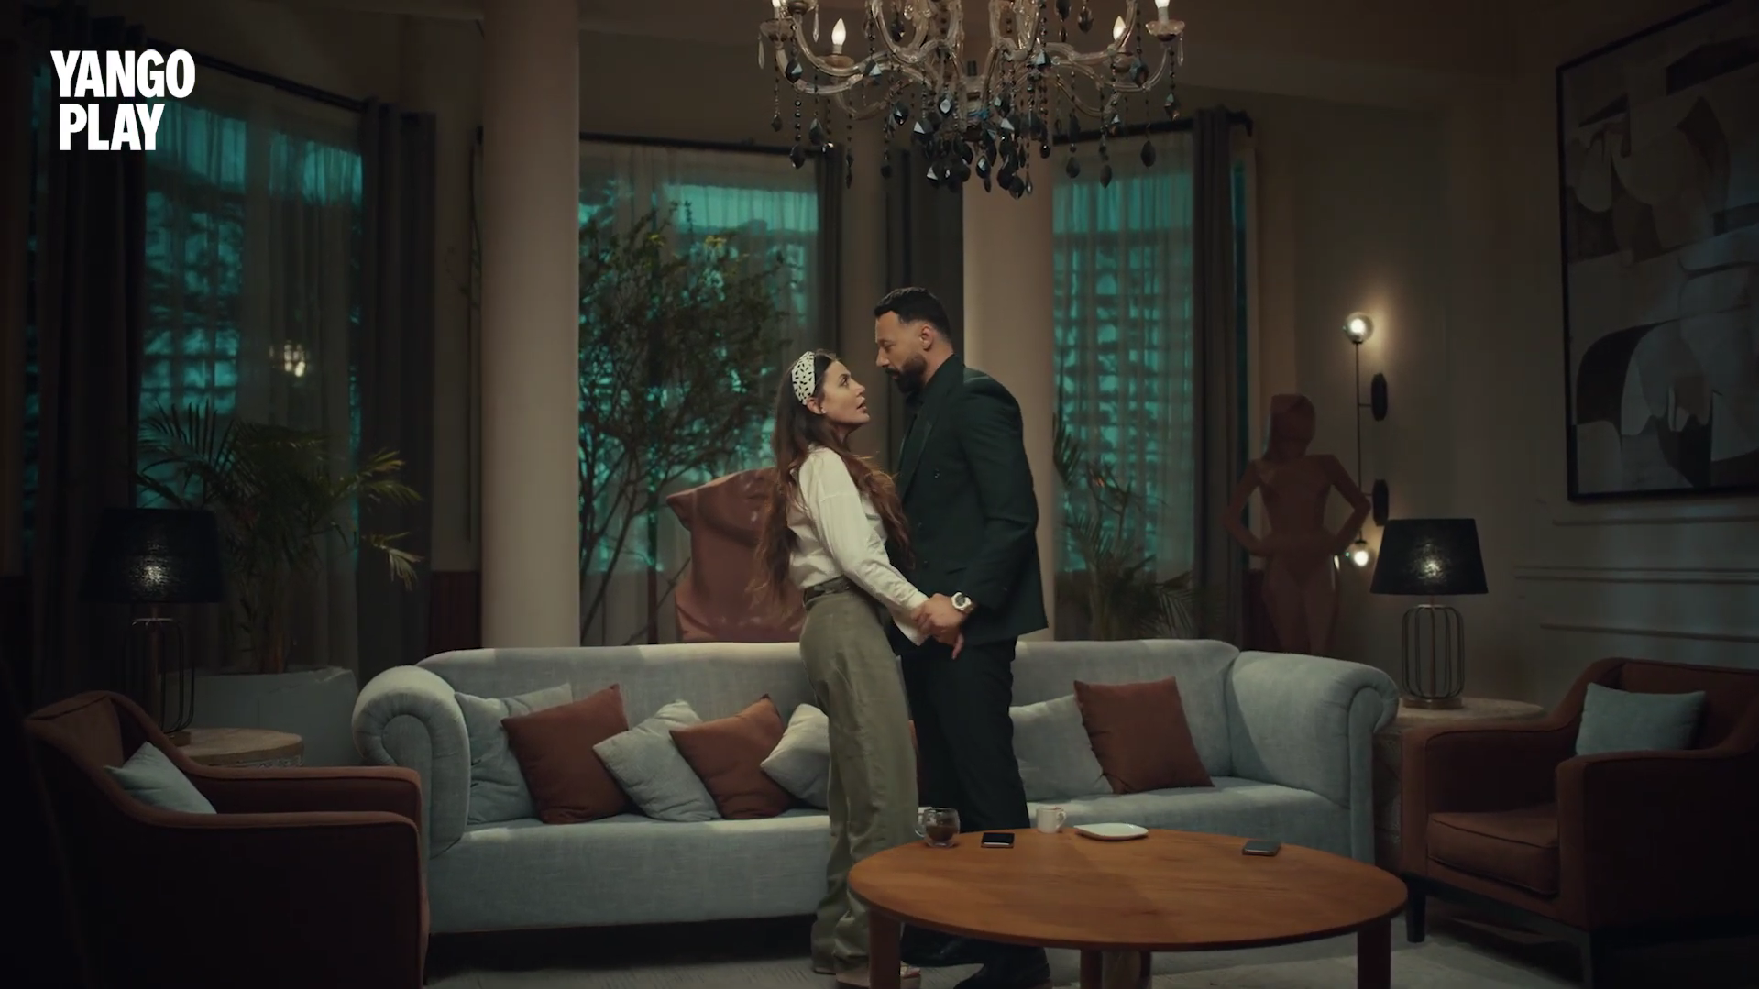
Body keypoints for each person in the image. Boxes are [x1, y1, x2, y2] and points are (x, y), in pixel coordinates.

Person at [751, 349, 951, 989]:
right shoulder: (825, 466)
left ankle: (837, 942)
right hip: (845, 622)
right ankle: (866, 953)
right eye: (843, 381)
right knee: (887, 795)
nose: (861, 386)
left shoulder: (814, 465)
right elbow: (860, 560)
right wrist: (926, 611)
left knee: (858, 798)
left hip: (839, 625)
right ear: (814, 403)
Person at [872, 287, 1052, 989]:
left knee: (986, 787)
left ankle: (1021, 955)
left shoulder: (977, 397)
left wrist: (963, 605)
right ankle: (960, 927)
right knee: (942, 790)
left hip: (971, 635)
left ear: (925, 335)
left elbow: (1015, 517)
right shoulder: (925, 410)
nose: (880, 359)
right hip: (927, 636)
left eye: (887, 344)